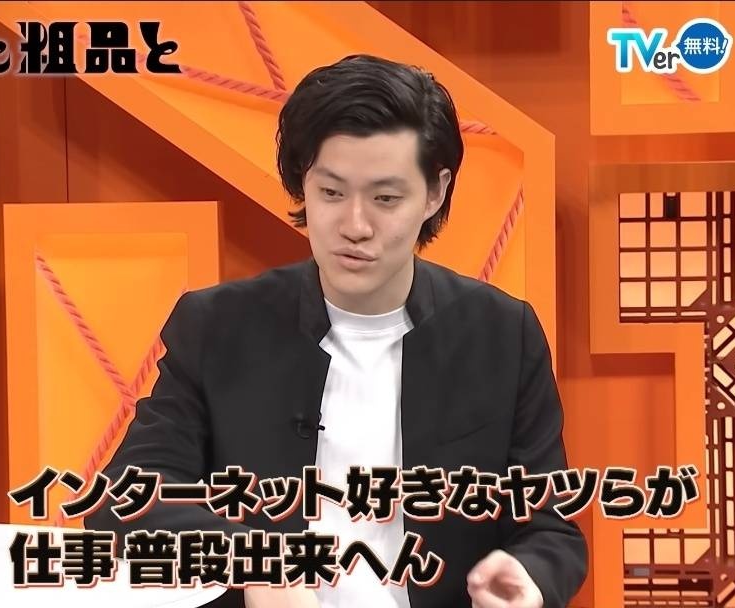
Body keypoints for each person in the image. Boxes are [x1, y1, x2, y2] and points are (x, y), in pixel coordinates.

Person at [85, 54, 587, 608]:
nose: (355, 225)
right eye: (331, 193)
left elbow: (551, 528)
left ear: (436, 192)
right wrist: (256, 563)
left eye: (385, 198)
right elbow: (126, 502)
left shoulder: (502, 335)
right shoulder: (217, 327)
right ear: (303, 183)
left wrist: (529, 573)